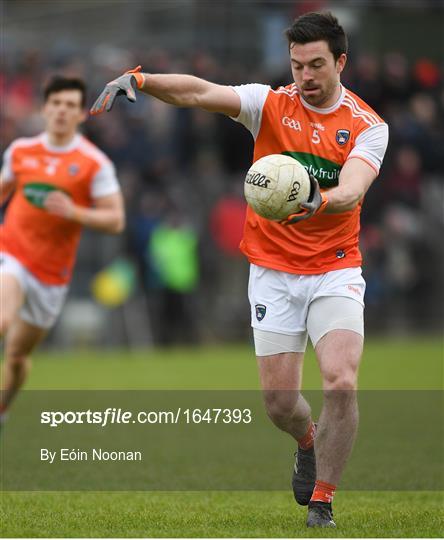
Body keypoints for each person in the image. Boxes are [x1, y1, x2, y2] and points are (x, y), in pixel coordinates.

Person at [91, 11, 388, 528]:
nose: (306, 77)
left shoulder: (367, 126)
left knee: (340, 382)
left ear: (341, 61)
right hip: (272, 269)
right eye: (297, 66)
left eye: (317, 65)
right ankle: (306, 439)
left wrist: (320, 198)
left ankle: (323, 501)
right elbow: (198, 93)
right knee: (278, 404)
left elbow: (355, 189)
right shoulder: (270, 104)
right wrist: (140, 79)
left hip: (334, 267)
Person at [0, 77, 125, 421]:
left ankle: (3, 409)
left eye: (70, 105)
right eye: (55, 103)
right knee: (1, 318)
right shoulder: (20, 151)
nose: (61, 110)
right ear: (44, 108)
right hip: (11, 253)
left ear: (81, 114)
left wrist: (74, 212)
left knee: (16, 356)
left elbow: (115, 219)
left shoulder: (93, 163)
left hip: (51, 274)